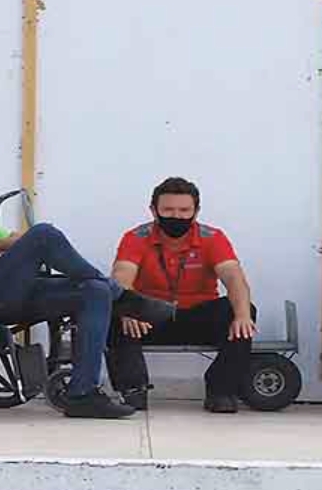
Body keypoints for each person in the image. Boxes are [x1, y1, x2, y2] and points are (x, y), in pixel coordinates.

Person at [0, 162, 175, 420]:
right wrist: (5, 244)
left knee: (94, 290)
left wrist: (23, 246)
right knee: (43, 234)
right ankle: (123, 296)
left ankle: (83, 394)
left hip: (10, 288)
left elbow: (13, 241)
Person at [108, 177, 257, 414]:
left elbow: (233, 276)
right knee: (113, 310)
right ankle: (133, 390)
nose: (176, 216)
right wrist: (128, 308)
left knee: (242, 310)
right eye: (168, 210)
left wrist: (242, 314)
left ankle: (222, 390)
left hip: (197, 317)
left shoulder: (212, 237)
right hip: (149, 318)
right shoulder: (135, 237)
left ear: (196, 212)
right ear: (153, 211)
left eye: (184, 210)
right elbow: (121, 275)